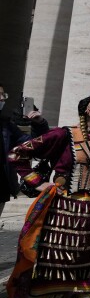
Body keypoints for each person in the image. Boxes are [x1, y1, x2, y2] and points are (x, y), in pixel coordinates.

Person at [6, 95, 90, 298]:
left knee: (85, 257)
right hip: (64, 208)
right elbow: (17, 153)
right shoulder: (63, 135)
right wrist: (37, 181)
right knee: (58, 258)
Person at [0, 84, 49, 216]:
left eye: (3, 95)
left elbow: (32, 145)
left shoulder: (6, 125)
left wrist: (39, 123)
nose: (2, 99)